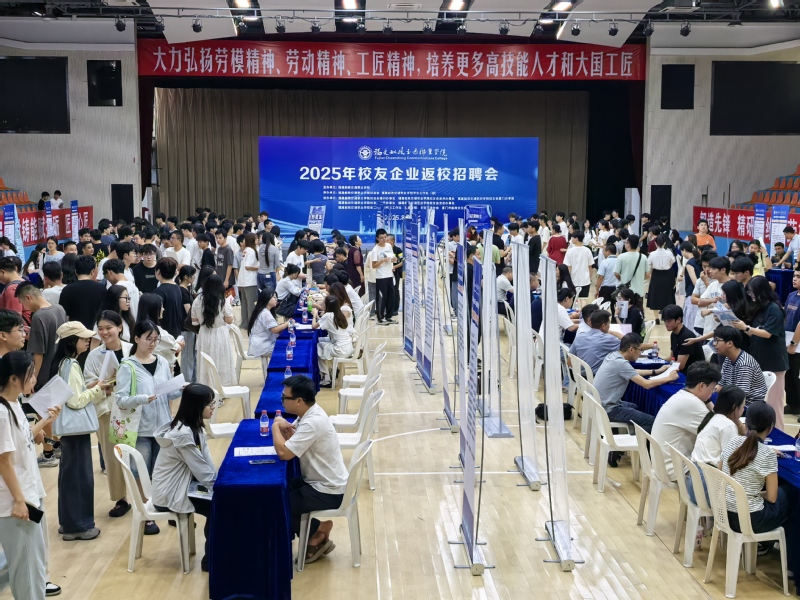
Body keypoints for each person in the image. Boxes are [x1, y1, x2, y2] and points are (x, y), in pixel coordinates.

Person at [0, 352, 62, 600]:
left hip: (30, 492)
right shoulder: (1, 412)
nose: (34, 379)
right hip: (17, 500)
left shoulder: (14, 404)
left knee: (33, 563)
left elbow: (25, 439)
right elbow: (3, 460)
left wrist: (46, 421)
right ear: (14, 379)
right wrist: (18, 500)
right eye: (30, 375)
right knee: (26, 568)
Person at [112, 320, 183, 536]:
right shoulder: (128, 366)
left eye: (156, 340)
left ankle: (163, 508)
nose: (152, 344)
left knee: (161, 471)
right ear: (136, 339)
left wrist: (181, 389)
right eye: (148, 339)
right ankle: (146, 515)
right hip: (140, 428)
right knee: (141, 473)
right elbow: (120, 399)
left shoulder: (161, 361)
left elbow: (168, 392)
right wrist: (142, 398)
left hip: (162, 426)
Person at [272, 375, 348, 563]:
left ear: (299, 401)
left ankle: (317, 531)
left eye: (285, 398)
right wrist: (288, 433)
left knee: (278, 504)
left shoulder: (312, 422)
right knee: (274, 492)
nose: (282, 401)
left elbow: (284, 453)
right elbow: (294, 443)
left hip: (328, 490)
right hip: (317, 480)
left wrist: (275, 427)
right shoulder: (310, 414)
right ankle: (316, 532)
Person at [51, 321, 111, 541]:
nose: (88, 341)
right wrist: (98, 389)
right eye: (84, 338)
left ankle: (69, 522)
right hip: (76, 430)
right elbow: (75, 401)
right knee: (79, 477)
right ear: (71, 341)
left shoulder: (63, 363)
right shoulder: (71, 365)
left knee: (70, 475)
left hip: (70, 431)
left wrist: (91, 388)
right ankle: (78, 526)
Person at [151, 384, 217, 572]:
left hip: (185, 485)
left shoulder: (194, 426)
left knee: (221, 499)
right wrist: (221, 489)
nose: (213, 407)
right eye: (209, 404)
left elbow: (207, 463)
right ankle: (211, 560)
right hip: (170, 493)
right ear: (197, 407)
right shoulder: (182, 435)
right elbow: (202, 472)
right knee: (218, 505)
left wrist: (219, 484)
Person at [721, 402, 792, 557]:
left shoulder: (733, 442)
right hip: (750, 521)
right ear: (771, 428)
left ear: (746, 423)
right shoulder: (767, 455)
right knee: (788, 493)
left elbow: (720, 471)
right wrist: (756, 494)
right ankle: (776, 545)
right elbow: (772, 498)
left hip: (723, 512)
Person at [83, 310, 132, 518]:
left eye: (108, 328)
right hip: (107, 410)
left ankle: (145, 495)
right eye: (100, 329)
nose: (104, 332)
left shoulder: (132, 349)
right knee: (113, 456)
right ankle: (121, 499)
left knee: (138, 453)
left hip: (133, 409)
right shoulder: (94, 355)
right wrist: (105, 384)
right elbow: (88, 384)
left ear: (119, 328)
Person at [594, 333, 679, 450]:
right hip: (609, 409)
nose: (640, 353)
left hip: (600, 404)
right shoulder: (621, 364)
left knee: (634, 407)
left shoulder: (613, 355)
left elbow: (631, 371)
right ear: (631, 349)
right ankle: (635, 448)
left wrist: (656, 371)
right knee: (651, 422)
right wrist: (668, 378)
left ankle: (632, 437)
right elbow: (646, 384)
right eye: (640, 350)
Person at [730, 276, 789, 429]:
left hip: (774, 362)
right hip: (758, 358)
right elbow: (754, 332)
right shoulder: (759, 308)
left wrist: (746, 328)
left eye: (752, 292)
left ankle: (778, 432)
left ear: (761, 291)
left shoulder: (774, 309)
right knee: (758, 401)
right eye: (749, 292)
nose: (751, 295)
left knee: (774, 403)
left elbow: (768, 333)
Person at [651, 362, 720, 481]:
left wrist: (707, 400)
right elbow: (717, 432)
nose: (713, 392)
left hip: (662, 464)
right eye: (712, 388)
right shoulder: (693, 404)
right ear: (702, 386)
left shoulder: (683, 395)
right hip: (675, 469)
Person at [686, 385, 747, 504]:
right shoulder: (728, 426)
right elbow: (732, 462)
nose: (744, 409)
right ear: (734, 407)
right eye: (742, 406)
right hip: (708, 488)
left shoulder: (712, 417)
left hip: (694, 483)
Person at [16, 282, 67, 392]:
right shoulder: (59, 309)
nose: (24, 307)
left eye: (22, 303)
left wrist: (33, 379)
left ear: (28, 297)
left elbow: (38, 354)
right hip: (59, 369)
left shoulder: (39, 316)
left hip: (44, 374)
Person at [192, 274, 235, 387]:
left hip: (204, 334)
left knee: (205, 363)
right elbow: (229, 320)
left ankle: (206, 387)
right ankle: (221, 387)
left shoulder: (197, 300)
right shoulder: (222, 301)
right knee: (221, 360)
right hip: (220, 334)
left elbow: (194, 321)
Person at [711, 326, 768, 408]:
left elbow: (740, 395)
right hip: (734, 399)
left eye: (717, 340)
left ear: (730, 343)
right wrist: (709, 393)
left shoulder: (744, 364)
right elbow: (721, 384)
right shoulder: (728, 359)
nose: (714, 344)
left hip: (748, 406)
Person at [312, 296, 355, 387]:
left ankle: (326, 377)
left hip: (340, 349)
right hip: (348, 346)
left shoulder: (328, 316)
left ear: (327, 305)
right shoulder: (339, 314)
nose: (322, 304)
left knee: (318, 347)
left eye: (323, 303)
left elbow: (314, 326)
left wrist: (314, 315)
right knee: (321, 342)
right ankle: (331, 369)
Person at [248, 288, 289, 376]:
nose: (276, 299)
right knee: (285, 350)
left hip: (260, 342)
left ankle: (279, 372)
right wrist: (287, 324)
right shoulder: (265, 313)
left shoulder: (263, 310)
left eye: (276, 297)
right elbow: (275, 330)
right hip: (262, 345)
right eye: (274, 297)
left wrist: (282, 325)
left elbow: (273, 327)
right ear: (266, 299)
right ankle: (279, 373)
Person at [137, 294, 181, 370]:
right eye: (161, 306)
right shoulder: (158, 333)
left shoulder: (137, 327)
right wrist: (179, 344)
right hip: (160, 369)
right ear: (153, 309)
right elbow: (176, 347)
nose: (163, 309)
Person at [569, 310, 622, 374]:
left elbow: (569, 361)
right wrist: (612, 332)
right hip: (597, 377)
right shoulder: (608, 339)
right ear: (603, 326)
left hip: (579, 376)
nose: (609, 326)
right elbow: (627, 346)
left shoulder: (579, 337)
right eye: (609, 324)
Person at [59, 255, 104, 329]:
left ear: (76, 272)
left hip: (75, 330)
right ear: (92, 271)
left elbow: (64, 314)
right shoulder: (101, 288)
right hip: (96, 330)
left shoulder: (67, 289)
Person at [661, 304, 704, 372]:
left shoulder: (686, 336)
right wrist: (658, 361)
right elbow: (672, 358)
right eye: (665, 321)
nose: (666, 324)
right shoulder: (673, 334)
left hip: (693, 373)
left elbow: (680, 365)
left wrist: (663, 367)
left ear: (678, 320)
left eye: (669, 321)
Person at [369, 229, 398, 325]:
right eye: (381, 238)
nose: (384, 239)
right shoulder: (375, 250)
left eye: (385, 237)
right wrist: (382, 260)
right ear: (377, 238)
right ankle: (380, 317)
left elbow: (392, 258)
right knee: (382, 297)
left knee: (391, 296)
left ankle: (388, 316)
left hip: (389, 274)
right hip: (381, 276)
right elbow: (374, 265)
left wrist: (394, 259)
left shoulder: (389, 246)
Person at [613, 234, 650, 306]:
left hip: (625, 292)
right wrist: (639, 279)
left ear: (628, 244)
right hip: (639, 292)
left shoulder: (621, 257)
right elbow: (648, 275)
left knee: (624, 311)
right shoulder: (643, 257)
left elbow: (616, 273)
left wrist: (622, 279)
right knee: (638, 311)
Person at [153, 257, 185, 340]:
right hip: (176, 331)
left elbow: (155, 314)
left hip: (164, 334)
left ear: (158, 271)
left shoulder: (160, 291)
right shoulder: (177, 287)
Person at [646, 234, 676, 314]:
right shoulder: (669, 253)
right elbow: (672, 262)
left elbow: (649, 265)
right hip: (667, 275)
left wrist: (650, 276)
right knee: (667, 295)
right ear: (664, 243)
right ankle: (666, 314)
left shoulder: (652, 254)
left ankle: (656, 318)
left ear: (655, 244)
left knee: (655, 296)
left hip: (656, 275)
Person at [785, 268, 800, 415]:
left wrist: (794, 344)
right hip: (787, 339)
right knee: (788, 375)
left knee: (797, 377)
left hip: (797, 343)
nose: (794, 279)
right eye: (794, 276)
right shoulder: (791, 295)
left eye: (799, 277)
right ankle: (792, 404)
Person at [237, 233, 259, 328]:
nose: (258, 240)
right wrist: (259, 268)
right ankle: (251, 324)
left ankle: (245, 323)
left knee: (244, 304)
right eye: (256, 239)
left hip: (243, 281)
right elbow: (248, 266)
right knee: (251, 304)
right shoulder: (251, 251)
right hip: (250, 281)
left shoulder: (245, 250)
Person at [563, 231, 593, 299]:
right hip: (585, 280)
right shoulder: (588, 250)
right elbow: (590, 267)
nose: (571, 239)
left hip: (573, 280)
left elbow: (568, 267)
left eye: (572, 238)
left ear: (576, 239)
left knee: (572, 300)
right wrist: (589, 279)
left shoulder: (570, 251)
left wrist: (567, 280)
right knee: (583, 299)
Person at [595, 244, 620, 309]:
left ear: (608, 252)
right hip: (617, 288)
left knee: (603, 308)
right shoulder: (619, 261)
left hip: (605, 288)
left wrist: (597, 290)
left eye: (604, 251)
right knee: (615, 308)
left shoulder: (604, 262)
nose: (603, 252)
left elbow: (600, 277)